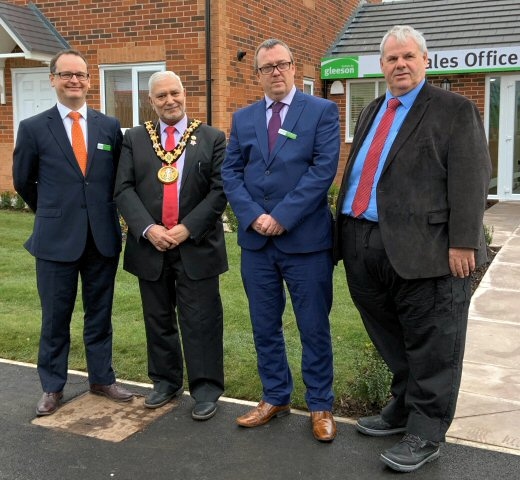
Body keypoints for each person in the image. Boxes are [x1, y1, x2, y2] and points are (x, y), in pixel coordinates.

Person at [334, 25, 491, 472]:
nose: (399, 64)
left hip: (431, 249)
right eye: (391, 59)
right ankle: (403, 407)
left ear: (426, 61)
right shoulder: (371, 109)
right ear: (381, 66)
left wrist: (463, 240)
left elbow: (471, 176)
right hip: (365, 242)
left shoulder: (454, 109)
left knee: (433, 343)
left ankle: (425, 431)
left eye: (408, 56)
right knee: (390, 335)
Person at [222, 39, 340, 442]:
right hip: (257, 245)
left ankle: (321, 404)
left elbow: (323, 170)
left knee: (313, 326)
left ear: (294, 67)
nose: (275, 72)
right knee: (264, 325)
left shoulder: (322, 111)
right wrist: (255, 217)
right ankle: (275, 396)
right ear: (257, 74)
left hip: (305, 242)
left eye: (282, 64)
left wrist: (282, 218)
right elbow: (231, 173)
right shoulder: (243, 118)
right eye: (266, 67)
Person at [12, 49, 133, 416]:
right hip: (55, 240)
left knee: (100, 312)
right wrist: (53, 212)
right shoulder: (33, 128)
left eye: (80, 74)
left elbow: (116, 179)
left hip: (102, 237)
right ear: (53, 79)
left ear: (89, 80)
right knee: (55, 317)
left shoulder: (108, 126)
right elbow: (23, 182)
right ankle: (52, 387)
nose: (75, 80)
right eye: (66, 75)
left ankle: (101, 378)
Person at [114, 71, 227, 421]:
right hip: (151, 245)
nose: (169, 101)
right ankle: (165, 381)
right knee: (158, 317)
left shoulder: (211, 138)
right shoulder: (134, 138)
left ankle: (206, 389)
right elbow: (123, 188)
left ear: (184, 94)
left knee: (201, 319)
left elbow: (220, 190)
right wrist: (148, 229)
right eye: (160, 96)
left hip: (196, 244)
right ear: (151, 101)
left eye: (174, 93)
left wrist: (186, 228)